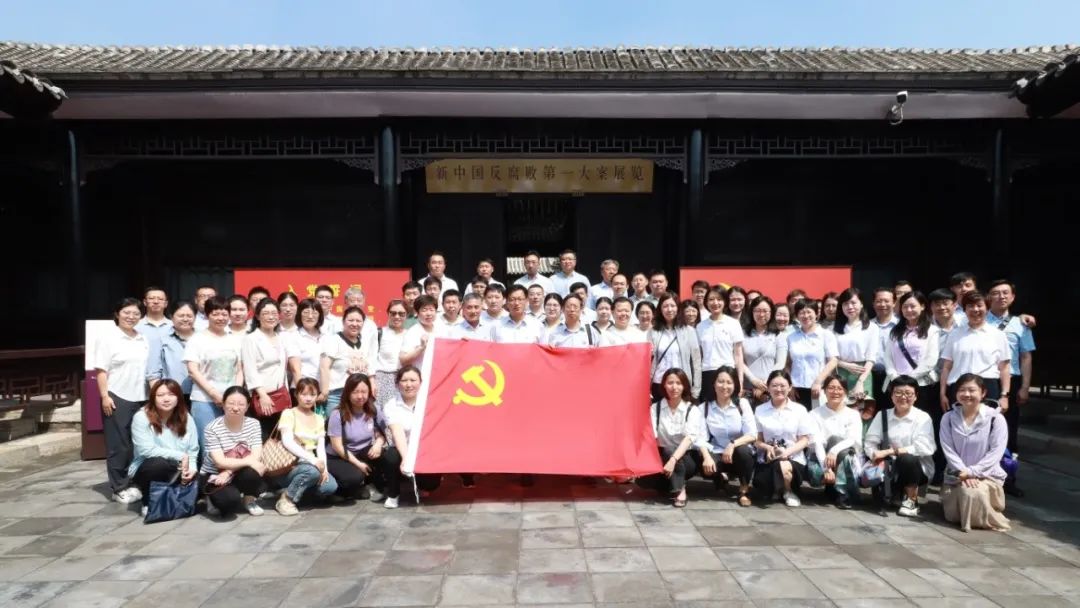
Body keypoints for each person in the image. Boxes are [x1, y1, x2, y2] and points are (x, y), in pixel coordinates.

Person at [939, 373, 1011, 532]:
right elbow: (948, 449)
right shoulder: (948, 418)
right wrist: (963, 472)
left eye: (972, 390)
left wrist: (973, 472)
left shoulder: (995, 419)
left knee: (972, 493)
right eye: (962, 390)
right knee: (958, 506)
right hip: (956, 475)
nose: (966, 394)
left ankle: (985, 518)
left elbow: (996, 452)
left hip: (987, 475)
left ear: (983, 393)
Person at [97, 297, 151, 505]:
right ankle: (119, 487)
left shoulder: (142, 338)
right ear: (117, 314)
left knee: (138, 444)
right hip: (117, 396)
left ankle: (134, 482)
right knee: (118, 446)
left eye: (136, 313)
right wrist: (105, 396)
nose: (131, 316)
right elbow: (101, 371)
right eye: (127, 312)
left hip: (142, 397)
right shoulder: (109, 338)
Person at [986, 280, 1034, 497]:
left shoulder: (1021, 324)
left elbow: (1025, 357)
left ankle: (1009, 477)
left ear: (1013, 297)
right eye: (996, 293)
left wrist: (1025, 386)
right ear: (989, 297)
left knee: (1009, 431)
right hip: (986, 380)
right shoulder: (979, 319)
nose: (1001, 297)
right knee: (984, 430)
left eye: (1005, 293)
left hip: (1011, 381)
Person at [864, 375, 937, 517]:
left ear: (915, 396)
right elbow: (870, 442)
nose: (903, 397)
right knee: (879, 499)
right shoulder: (882, 415)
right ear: (891, 395)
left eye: (908, 393)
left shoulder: (922, 418)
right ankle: (896, 493)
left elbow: (925, 447)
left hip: (917, 468)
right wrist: (874, 455)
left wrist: (890, 452)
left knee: (907, 458)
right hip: (888, 467)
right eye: (898, 393)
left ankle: (911, 500)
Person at [129, 379, 199, 517]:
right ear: (153, 398)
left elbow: (193, 448)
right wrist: (181, 456)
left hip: (179, 467)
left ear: (178, 397)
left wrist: (192, 468)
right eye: (160, 395)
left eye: (171, 394)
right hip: (149, 467)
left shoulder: (186, 417)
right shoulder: (141, 417)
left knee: (205, 480)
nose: (166, 399)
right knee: (158, 465)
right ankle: (149, 502)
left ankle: (175, 500)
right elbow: (146, 450)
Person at [184, 296, 243, 456]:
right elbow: (193, 370)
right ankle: (209, 473)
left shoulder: (234, 339)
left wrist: (235, 395)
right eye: (215, 314)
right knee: (209, 445)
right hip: (204, 400)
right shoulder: (197, 339)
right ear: (207, 315)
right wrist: (213, 393)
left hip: (231, 402)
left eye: (224, 314)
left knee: (232, 443)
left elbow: (239, 369)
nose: (221, 318)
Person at [272, 377, 337, 515]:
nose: (308, 398)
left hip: (311, 465)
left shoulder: (319, 418)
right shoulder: (289, 413)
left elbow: (320, 447)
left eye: (312, 395)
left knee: (329, 486)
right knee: (312, 472)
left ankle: (295, 491)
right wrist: (313, 460)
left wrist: (324, 468)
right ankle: (286, 499)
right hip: (289, 465)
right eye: (304, 394)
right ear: (296, 395)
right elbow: (287, 442)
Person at [199, 386, 267, 516]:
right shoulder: (212, 428)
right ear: (223, 404)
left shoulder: (253, 424)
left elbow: (256, 455)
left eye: (241, 404)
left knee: (253, 472)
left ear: (247, 406)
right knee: (229, 503)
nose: (236, 408)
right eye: (231, 403)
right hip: (215, 474)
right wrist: (247, 462)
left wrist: (229, 472)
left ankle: (249, 499)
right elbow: (219, 462)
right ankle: (210, 497)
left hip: (236, 471)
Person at [642, 368, 703, 508]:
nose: (674, 387)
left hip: (686, 458)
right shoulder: (656, 408)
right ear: (664, 385)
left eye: (678, 383)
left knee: (671, 452)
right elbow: (652, 436)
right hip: (662, 456)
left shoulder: (692, 409)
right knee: (644, 480)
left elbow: (689, 439)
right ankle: (670, 484)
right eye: (670, 383)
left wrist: (673, 459)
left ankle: (680, 489)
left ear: (684, 386)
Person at [753, 370, 815, 507]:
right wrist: (767, 447)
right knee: (764, 489)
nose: (778, 389)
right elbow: (757, 440)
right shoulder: (760, 410)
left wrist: (787, 453)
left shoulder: (800, 410)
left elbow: (805, 440)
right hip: (768, 458)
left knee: (784, 465)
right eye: (774, 385)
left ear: (790, 387)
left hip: (793, 458)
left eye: (782, 385)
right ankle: (776, 488)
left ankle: (788, 490)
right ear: (768, 387)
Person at [696, 366, 756, 507]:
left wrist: (733, 444)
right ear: (714, 384)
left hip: (739, 453)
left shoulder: (742, 404)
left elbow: (752, 434)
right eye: (721, 382)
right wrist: (707, 457)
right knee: (701, 458)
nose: (724, 386)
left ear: (735, 385)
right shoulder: (705, 407)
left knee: (744, 452)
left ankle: (744, 490)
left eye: (729, 382)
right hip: (718, 451)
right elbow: (700, 438)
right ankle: (720, 478)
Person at [383, 366, 442, 508]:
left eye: (413, 380)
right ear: (397, 384)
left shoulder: (430, 402)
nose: (408, 384)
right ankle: (393, 494)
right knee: (390, 456)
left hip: (424, 449)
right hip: (402, 448)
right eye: (404, 380)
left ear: (421, 382)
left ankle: (420, 484)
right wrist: (406, 458)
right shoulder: (391, 405)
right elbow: (397, 432)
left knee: (431, 484)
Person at [940, 291, 1010, 409]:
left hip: (987, 387)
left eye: (979, 305)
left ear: (987, 308)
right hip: (959, 387)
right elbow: (947, 367)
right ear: (964, 310)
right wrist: (942, 394)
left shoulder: (998, 335)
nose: (975, 309)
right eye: (970, 306)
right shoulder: (954, 334)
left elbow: (1004, 368)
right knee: (958, 420)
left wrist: (1004, 395)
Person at [327, 374, 390, 501]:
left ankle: (371, 485)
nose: (360, 396)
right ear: (348, 393)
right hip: (338, 457)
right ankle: (339, 489)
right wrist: (358, 464)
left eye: (364, 392)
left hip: (361, 452)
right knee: (354, 477)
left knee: (383, 455)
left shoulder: (373, 409)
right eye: (355, 392)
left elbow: (382, 432)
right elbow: (337, 446)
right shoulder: (337, 414)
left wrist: (378, 444)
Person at [242, 299, 296, 438]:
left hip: (281, 395)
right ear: (257, 316)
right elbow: (250, 370)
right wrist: (262, 395)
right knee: (263, 437)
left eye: (274, 313)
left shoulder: (281, 337)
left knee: (280, 438)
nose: (271, 317)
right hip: (263, 396)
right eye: (266, 313)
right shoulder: (251, 339)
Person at [808, 376, 863, 509]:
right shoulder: (814, 414)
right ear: (824, 391)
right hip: (820, 459)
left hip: (846, 458)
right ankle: (839, 488)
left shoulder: (853, 414)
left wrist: (834, 451)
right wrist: (826, 469)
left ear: (845, 392)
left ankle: (841, 493)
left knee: (839, 445)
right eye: (831, 388)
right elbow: (817, 443)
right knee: (833, 441)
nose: (835, 392)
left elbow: (853, 439)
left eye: (839, 388)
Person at [320, 306, 373, 418]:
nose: (355, 324)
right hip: (338, 396)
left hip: (360, 397)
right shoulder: (333, 340)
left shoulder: (364, 342)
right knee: (335, 426)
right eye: (351, 320)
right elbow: (324, 367)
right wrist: (324, 392)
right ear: (343, 322)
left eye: (358, 321)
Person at [697, 287, 746, 404]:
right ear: (706, 302)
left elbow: (738, 355)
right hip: (707, 373)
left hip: (728, 373)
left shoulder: (733, 324)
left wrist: (740, 380)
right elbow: (699, 355)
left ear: (725, 302)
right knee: (708, 408)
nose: (715, 303)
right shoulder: (700, 326)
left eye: (719, 299)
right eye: (711, 299)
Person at [831, 288, 879, 408]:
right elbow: (830, 356)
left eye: (853, 303)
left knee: (861, 410)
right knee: (839, 409)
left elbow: (871, 358)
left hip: (862, 373)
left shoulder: (871, 327)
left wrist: (860, 382)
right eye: (846, 304)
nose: (850, 307)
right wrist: (845, 365)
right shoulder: (833, 328)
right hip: (839, 373)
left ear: (861, 304)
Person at [650, 293, 702, 401]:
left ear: (678, 308)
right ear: (660, 309)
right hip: (659, 383)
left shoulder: (689, 331)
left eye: (673, 306)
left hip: (681, 384)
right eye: (665, 306)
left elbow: (696, 362)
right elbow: (648, 360)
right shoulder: (653, 332)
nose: (669, 309)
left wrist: (696, 389)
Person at [787, 300, 838, 409]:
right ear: (797, 316)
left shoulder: (826, 335)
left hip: (819, 388)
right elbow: (788, 363)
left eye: (809, 312)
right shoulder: (791, 337)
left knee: (818, 417)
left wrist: (818, 381)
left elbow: (833, 361)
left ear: (816, 314)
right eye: (801, 313)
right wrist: (790, 385)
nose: (805, 316)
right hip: (796, 389)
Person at [742, 296, 787, 404]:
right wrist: (754, 380)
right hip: (748, 389)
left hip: (771, 389)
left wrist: (765, 383)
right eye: (757, 311)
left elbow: (780, 363)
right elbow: (739, 360)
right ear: (751, 312)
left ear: (771, 313)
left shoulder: (778, 335)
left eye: (765, 311)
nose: (761, 314)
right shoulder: (743, 334)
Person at [147, 301, 196, 398]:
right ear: (171, 317)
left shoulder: (202, 337)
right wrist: (160, 396)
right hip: (172, 394)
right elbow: (153, 373)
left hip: (200, 394)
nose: (185, 319)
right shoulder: (161, 339)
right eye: (181, 316)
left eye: (189, 316)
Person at [375, 300, 409, 408]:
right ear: (388, 314)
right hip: (382, 379)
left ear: (407, 315)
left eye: (401, 314)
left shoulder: (411, 334)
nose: (397, 316)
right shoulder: (379, 333)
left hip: (405, 380)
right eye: (393, 313)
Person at [289, 298, 325, 388]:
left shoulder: (326, 336)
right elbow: (295, 369)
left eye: (314, 313)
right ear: (299, 314)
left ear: (320, 315)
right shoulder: (293, 337)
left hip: (324, 388)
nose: (310, 316)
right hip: (303, 388)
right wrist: (302, 392)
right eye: (306, 312)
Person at [399, 295, 442, 367]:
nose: (428, 314)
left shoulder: (441, 329)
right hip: (419, 372)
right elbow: (403, 360)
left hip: (438, 371)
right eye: (424, 310)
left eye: (431, 310)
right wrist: (421, 348)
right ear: (417, 312)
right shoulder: (412, 332)